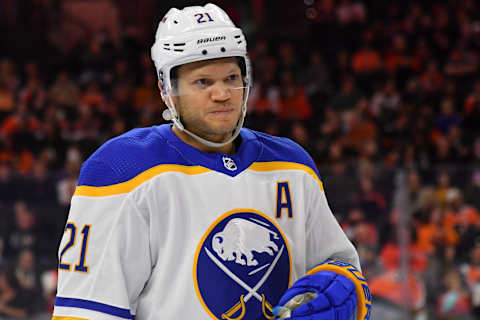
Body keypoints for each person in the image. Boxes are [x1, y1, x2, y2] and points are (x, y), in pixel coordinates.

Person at [52, 4, 371, 320]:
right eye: (203, 82)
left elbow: (340, 267)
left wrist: (343, 291)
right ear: (168, 90)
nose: (223, 94)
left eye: (232, 77)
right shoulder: (123, 170)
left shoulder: (292, 165)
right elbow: (88, 311)